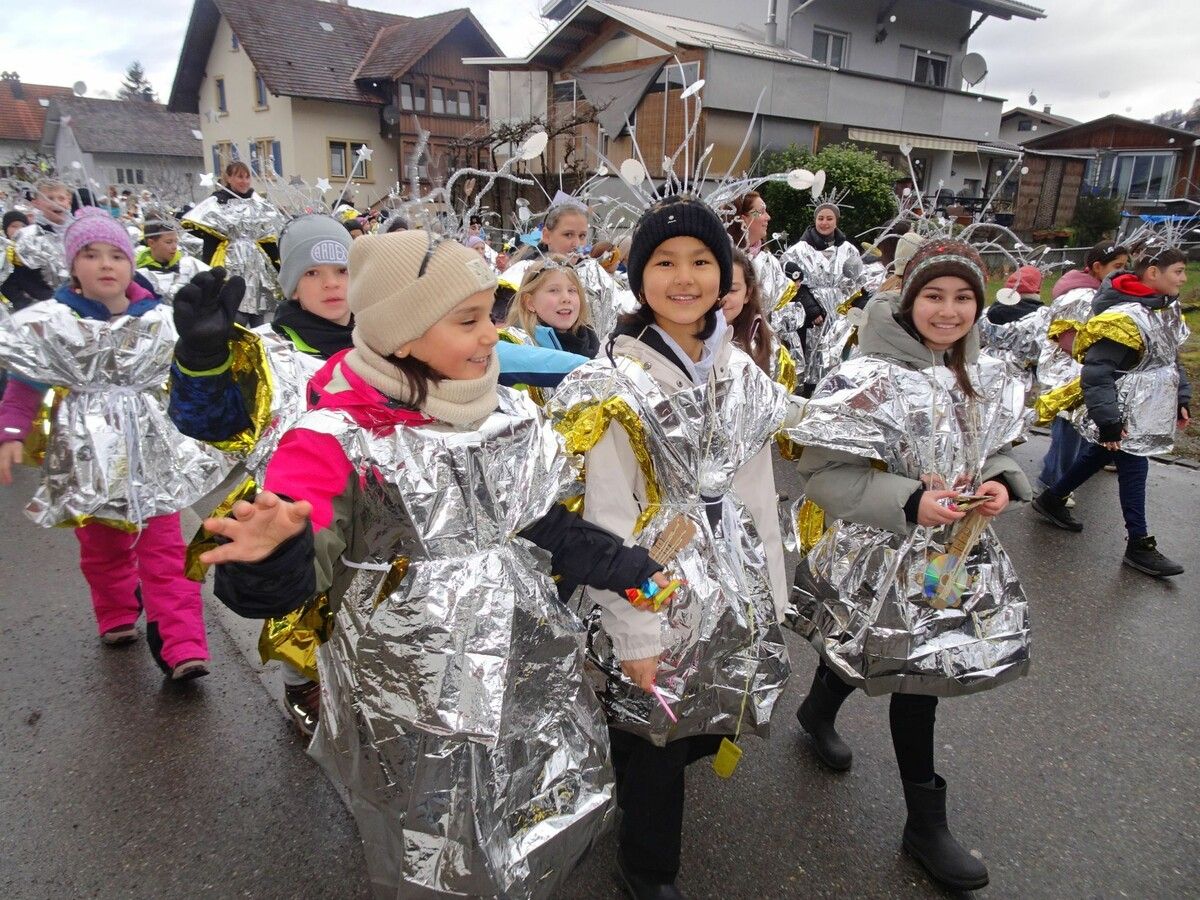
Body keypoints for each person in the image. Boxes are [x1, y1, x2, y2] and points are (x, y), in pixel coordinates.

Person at [200, 230, 672, 897]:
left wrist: (623, 564)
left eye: (492, 315)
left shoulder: (501, 409)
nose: (491, 336)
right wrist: (271, 554)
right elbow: (294, 577)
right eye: (469, 320)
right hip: (411, 681)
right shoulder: (334, 436)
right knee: (434, 831)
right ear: (403, 329)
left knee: (530, 798)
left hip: (521, 652)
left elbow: (542, 524)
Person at [547, 196, 800, 899]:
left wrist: (771, 597)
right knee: (650, 722)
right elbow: (605, 519)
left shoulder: (742, 372)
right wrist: (635, 629)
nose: (684, 277)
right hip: (649, 579)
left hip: (727, 581)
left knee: (690, 721)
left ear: (725, 276)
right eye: (664, 262)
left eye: (701, 261)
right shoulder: (612, 386)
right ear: (638, 277)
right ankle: (646, 865)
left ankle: (628, 796)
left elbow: (757, 494)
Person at [789, 238, 1031, 892]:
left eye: (962, 298)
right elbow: (822, 472)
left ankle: (821, 715)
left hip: (950, 559)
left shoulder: (980, 377)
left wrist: (1003, 481)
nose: (948, 311)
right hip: (880, 544)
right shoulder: (867, 377)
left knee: (910, 663)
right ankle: (925, 825)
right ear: (907, 298)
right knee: (897, 659)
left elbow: (997, 446)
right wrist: (909, 500)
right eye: (933, 295)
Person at [0, 208, 230, 680]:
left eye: (115, 255)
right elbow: (25, 382)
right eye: (90, 254)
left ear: (130, 263)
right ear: (73, 266)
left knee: (166, 552)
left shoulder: (161, 318)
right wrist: (11, 433)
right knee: (103, 547)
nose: (106, 264)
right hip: (88, 457)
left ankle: (182, 644)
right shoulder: (53, 322)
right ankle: (117, 610)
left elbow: (190, 369)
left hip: (151, 454)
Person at [1032, 245, 1190, 577]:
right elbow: (1097, 372)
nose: (1184, 278)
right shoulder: (1124, 318)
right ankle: (1139, 543)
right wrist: (1109, 422)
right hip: (1122, 411)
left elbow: (1169, 359)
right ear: (1152, 273)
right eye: (1178, 271)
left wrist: (1182, 397)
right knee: (1135, 467)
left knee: (1098, 455)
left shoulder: (1165, 311)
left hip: (1147, 408)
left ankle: (1052, 498)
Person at [1034, 241, 1130, 495]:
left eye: (1125, 267)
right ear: (1097, 267)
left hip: (1086, 372)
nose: (1122, 272)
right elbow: (1068, 339)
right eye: (1117, 266)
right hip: (1068, 375)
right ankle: (1053, 482)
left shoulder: (1100, 293)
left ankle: (1072, 474)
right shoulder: (1080, 295)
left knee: (1083, 427)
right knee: (1069, 430)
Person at [182, 161, 283, 327]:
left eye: (246, 176)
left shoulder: (257, 203)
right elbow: (206, 236)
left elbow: (268, 238)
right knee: (234, 318)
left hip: (256, 269)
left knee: (260, 318)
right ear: (228, 178)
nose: (244, 181)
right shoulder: (217, 202)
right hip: (230, 266)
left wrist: (278, 266)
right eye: (238, 176)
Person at [782, 199, 865, 392]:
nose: (824, 222)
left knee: (836, 357)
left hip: (840, 316)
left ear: (836, 221)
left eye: (829, 218)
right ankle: (808, 392)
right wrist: (811, 309)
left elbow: (859, 283)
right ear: (814, 220)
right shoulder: (798, 250)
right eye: (820, 218)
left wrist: (854, 310)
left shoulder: (849, 250)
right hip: (813, 317)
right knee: (813, 356)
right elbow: (791, 285)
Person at [726, 192, 804, 370]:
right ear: (743, 218)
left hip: (764, 348)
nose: (767, 217)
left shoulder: (769, 261)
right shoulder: (725, 261)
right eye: (760, 212)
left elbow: (776, 309)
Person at [5, 180, 73, 309]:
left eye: (61, 198)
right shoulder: (29, 237)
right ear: (36, 203)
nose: (56, 202)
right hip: (52, 302)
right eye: (49, 198)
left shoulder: (79, 230)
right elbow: (25, 277)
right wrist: (52, 300)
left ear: (68, 202)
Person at [135, 218, 211, 303]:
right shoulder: (140, 276)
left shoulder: (189, 265)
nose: (174, 246)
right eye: (169, 242)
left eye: (176, 241)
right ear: (151, 243)